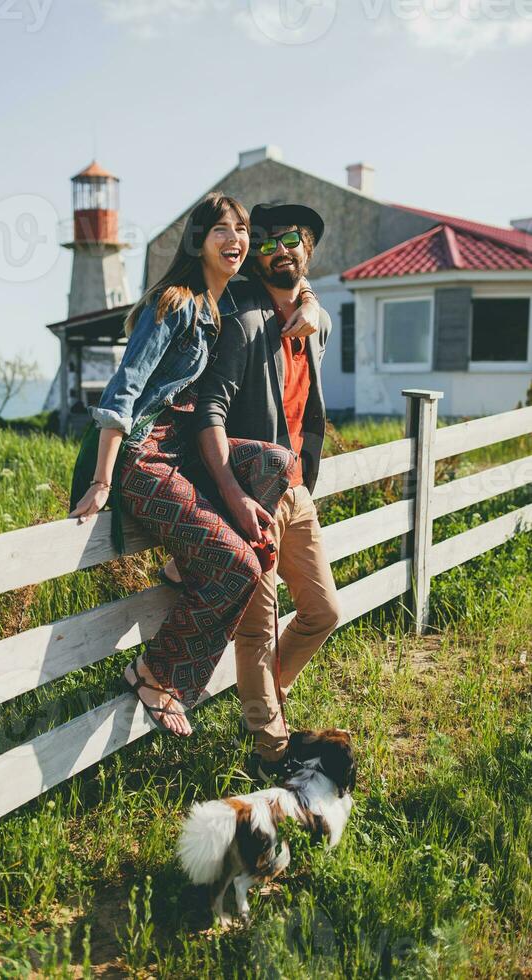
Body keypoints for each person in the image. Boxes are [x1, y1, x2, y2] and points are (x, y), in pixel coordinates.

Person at [69, 193, 319, 737]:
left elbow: (295, 286)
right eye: (221, 231)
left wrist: (312, 303)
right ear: (198, 241)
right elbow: (124, 390)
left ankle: (186, 563)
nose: (235, 240)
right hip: (144, 456)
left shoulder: (222, 303)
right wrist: (102, 479)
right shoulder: (177, 302)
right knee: (241, 568)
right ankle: (155, 672)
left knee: (276, 460)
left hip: (181, 453)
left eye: (242, 230)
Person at [193, 202, 343, 781]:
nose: (279, 249)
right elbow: (211, 409)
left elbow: (319, 317)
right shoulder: (246, 316)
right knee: (256, 627)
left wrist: (311, 303)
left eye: (291, 239)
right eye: (266, 242)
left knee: (324, 610)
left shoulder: (313, 318)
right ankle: (271, 754)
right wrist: (231, 495)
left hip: (297, 491)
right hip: (250, 493)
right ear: (255, 256)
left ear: (308, 250)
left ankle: (262, 700)